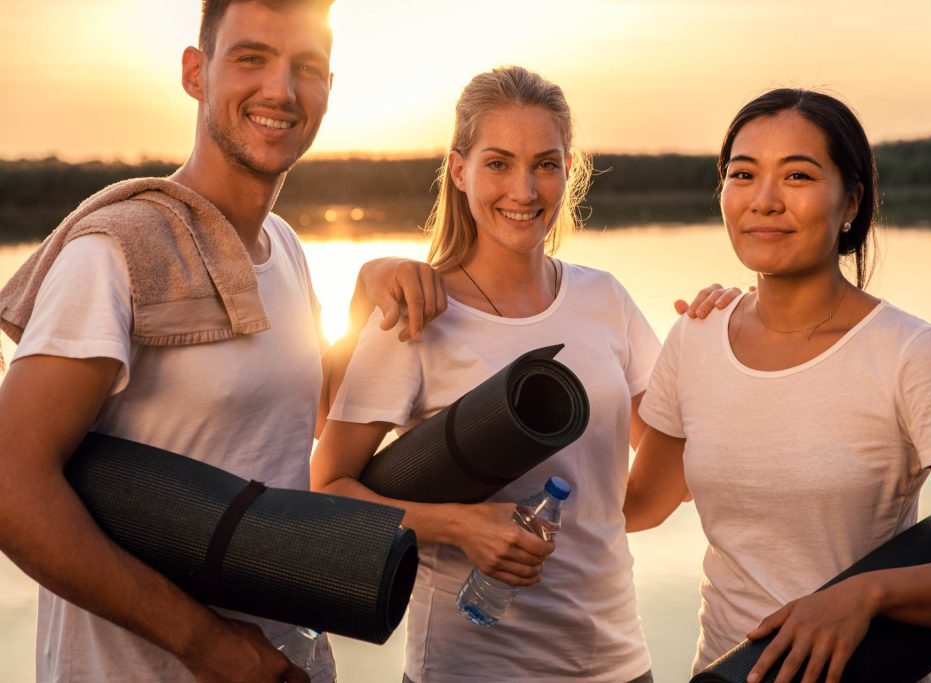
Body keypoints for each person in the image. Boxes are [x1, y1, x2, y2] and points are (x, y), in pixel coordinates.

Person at [0, 2, 442, 681]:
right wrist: (207, 643)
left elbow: (293, 418)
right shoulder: (116, 255)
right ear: (195, 72)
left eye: (307, 68)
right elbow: (10, 484)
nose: (281, 91)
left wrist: (361, 301)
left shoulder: (285, 246)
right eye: (251, 58)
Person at [624, 88, 931, 683]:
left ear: (850, 203)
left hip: (869, 671)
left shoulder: (910, 353)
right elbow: (641, 505)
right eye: (743, 174)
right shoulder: (695, 338)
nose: (764, 200)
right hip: (729, 671)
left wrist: (864, 595)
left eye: (798, 176)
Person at [312, 65, 669, 683]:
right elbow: (327, 493)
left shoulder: (606, 299)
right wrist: (460, 526)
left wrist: (722, 328)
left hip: (617, 663)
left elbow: (662, 482)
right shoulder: (415, 318)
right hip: (468, 667)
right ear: (459, 170)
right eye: (499, 163)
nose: (525, 190)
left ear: (568, 170)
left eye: (546, 164)